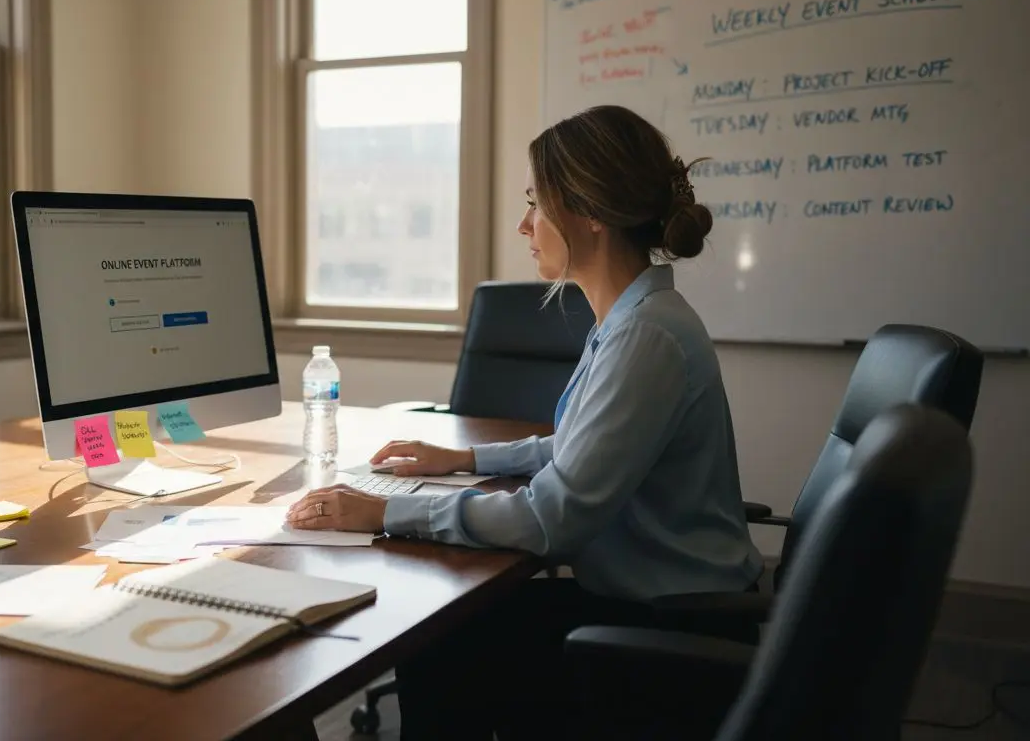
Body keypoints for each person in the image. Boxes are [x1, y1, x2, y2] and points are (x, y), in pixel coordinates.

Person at [285, 105, 764, 739]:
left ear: (590, 213)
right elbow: (577, 450)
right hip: (654, 606)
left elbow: (550, 519)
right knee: (449, 628)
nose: (524, 223)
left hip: (668, 633)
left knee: (438, 641)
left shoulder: (645, 337)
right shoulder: (633, 319)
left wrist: (382, 513)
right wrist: (463, 460)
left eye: (537, 203)